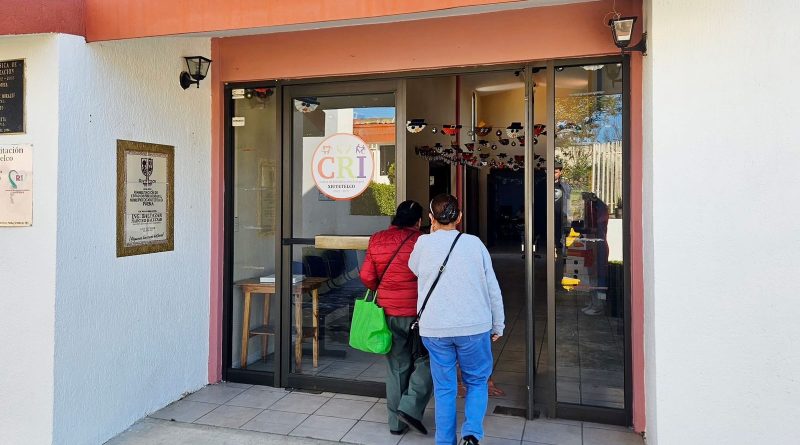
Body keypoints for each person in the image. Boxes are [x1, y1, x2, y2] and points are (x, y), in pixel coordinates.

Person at [409, 194, 505, 445]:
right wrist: (498, 323)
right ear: (459, 217)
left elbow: (414, 268)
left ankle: (444, 442)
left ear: (431, 218)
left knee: (444, 388)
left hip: (435, 328)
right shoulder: (474, 244)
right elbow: (492, 287)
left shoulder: (422, 243)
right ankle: (471, 433)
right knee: (477, 381)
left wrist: (432, 235)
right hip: (474, 326)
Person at [360, 200, 433, 436]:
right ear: (419, 221)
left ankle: (396, 424)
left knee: (397, 366)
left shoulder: (377, 239)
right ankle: (409, 407)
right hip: (417, 314)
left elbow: (367, 277)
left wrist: (385, 290)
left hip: (388, 312)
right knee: (430, 359)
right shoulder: (422, 241)